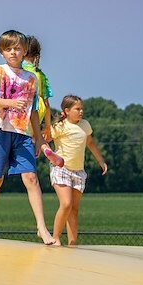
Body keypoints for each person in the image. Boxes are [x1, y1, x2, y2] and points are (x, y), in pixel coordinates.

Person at [0, 29, 57, 244]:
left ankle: (41, 227)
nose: (13, 52)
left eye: (17, 48)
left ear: (24, 51)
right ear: (2, 52)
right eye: (8, 49)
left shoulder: (32, 78)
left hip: (22, 133)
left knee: (31, 177)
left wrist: (39, 137)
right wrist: (11, 103)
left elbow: (32, 110)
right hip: (0, 129)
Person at [44, 95, 108, 246]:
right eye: (77, 109)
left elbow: (90, 143)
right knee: (66, 204)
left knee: (74, 209)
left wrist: (100, 160)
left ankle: (72, 243)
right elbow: (44, 139)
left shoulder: (85, 125)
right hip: (62, 169)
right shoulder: (60, 126)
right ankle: (56, 238)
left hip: (79, 172)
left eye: (82, 109)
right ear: (66, 111)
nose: (81, 112)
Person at [22, 35, 54, 143]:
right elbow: (47, 104)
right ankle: (39, 144)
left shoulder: (16, 68)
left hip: (20, 107)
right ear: (36, 55)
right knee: (31, 139)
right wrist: (48, 128)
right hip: (38, 108)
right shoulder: (41, 75)